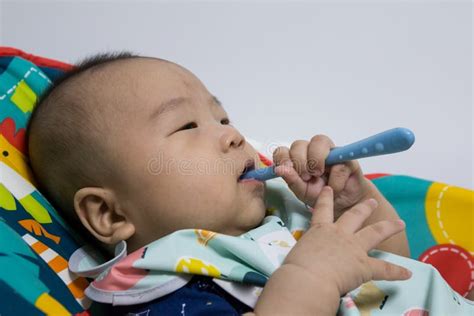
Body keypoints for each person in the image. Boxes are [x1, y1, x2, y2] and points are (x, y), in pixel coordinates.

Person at [27, 53, 473, 315]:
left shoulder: (281, 213)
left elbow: (398, 272)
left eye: (222, 116)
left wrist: (351, 200)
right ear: (110, 213)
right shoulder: (165, 287)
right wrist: (311, 275)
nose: (233, 134)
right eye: (186, 126)